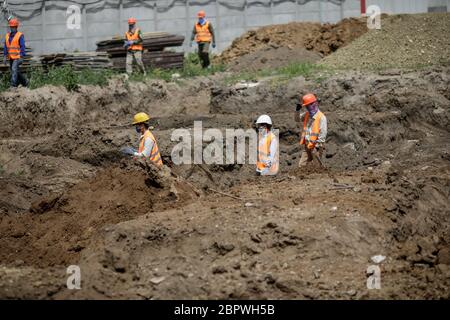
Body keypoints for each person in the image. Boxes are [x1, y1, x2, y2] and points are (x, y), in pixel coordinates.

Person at [295, 93, 327, 167]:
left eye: (310, 105)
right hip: (307, 145)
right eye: (307, 106)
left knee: (316, 166)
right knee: (301, 165)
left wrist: (317, 146)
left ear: (315, 103)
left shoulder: (321, 117)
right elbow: (297, 119)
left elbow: (323, 134)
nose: (308, 108)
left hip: (316, 146)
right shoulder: (307, 114)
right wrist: (297, 111)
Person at [3, 18, 28, 88]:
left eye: (13, 27)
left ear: (16, 27)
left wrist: (21, 56)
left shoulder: (20, 35)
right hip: (11, 57)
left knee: (14, 69)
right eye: (11, 27)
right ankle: (25, 82)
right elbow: (5, 46)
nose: (12, 28)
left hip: (18, 57)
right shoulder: (7, 35)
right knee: (15, 71)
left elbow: (22, 46)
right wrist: (5, 56)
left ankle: (13, 85)